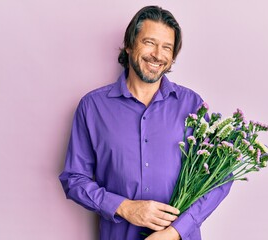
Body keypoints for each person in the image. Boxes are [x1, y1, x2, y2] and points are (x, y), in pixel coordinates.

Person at [59, 5, 233, 240]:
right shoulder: (92, 107)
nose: (157, 54)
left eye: (167, 48)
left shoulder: (192, 105)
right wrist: (123, 207)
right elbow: (74, 179)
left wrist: (174, 232)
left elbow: (220, 175)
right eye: (149, 42)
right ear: (129, 45)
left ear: (172, 57)